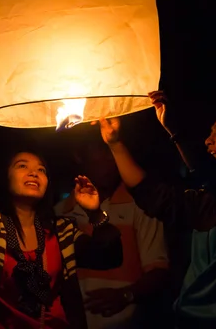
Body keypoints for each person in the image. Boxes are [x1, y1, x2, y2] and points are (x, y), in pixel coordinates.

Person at [93, 91, 216, 329]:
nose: (208, 140)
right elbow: (153, 195)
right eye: (210, 132)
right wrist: (115, 144)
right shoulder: (207, 200)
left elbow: (215, 177)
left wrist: (175, 132)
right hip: (188, 320)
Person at [0, 116, 123, 329]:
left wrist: (94, 213)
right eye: (22, 166)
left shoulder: (61, 232)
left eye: (41, 170)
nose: (33, 173)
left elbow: (109, 257)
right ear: (5, 177)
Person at [54, 141, 169, 329]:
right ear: (79, 155)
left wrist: (125, 295)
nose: (112, 158)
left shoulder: (140, 207)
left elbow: (159, 270)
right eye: (104, 150)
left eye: (113, 150)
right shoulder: (60, 213)